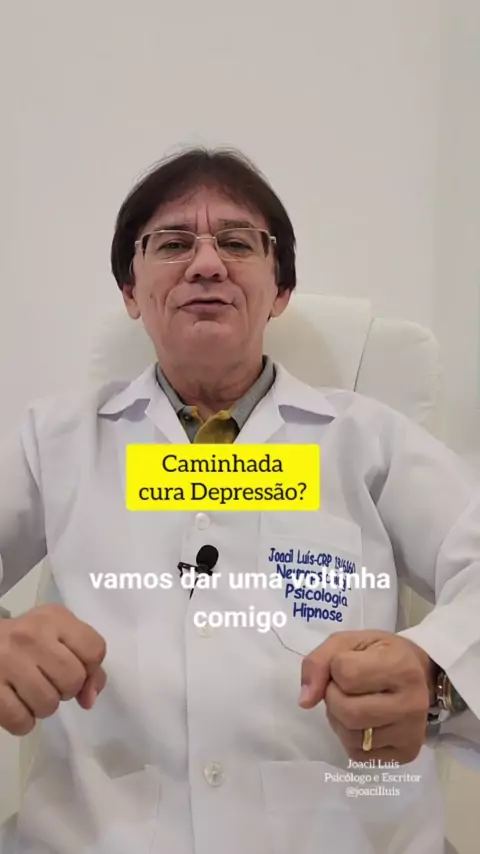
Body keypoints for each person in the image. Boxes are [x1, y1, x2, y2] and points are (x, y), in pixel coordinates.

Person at [0, 147, 478, 854]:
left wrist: (437, 676)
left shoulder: (369, 440)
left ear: (280, 290)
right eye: (172, 243)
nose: (206, 263)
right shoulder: (55, 440)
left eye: (237, 242)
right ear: (131, 291)